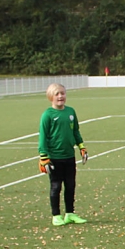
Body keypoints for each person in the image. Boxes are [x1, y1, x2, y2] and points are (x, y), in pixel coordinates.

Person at [39, 83, 88, 226]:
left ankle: (70, 213)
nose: (60, 96)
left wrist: (81, 147)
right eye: (57, 94)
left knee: (70, 185)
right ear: (51, 97)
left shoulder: (71, 112)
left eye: (62, 93)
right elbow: (43, 136)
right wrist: (43, 156)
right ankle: (56, 215)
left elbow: (75, 131)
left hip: (69, 156)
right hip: (54, 157)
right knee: (56, 186)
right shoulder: (47, 115)